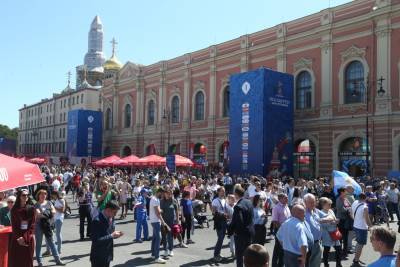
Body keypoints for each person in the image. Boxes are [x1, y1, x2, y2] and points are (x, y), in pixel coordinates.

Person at [34, 189, 65, 266]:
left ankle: (57, 260)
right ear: (38, 195)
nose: (43, 196)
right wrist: (46, 213)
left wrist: (45, 213)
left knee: (51, 242)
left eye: (45, 194)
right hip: (39, 224)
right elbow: (38, 215)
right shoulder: (36, 204)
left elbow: (53, 211)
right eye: (41, 194)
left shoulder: (49, 202)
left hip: (48, 224)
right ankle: (39, 261)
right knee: (39, 243)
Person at [90, 200, 123, 267]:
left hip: (107, 255)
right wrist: (111, 236)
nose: (115, 214)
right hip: (98, 257)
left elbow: (109, 233)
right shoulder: (97, 220)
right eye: (114, 212)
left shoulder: (110, 218)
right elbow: (96, 240)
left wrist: (115, 235)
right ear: (108, 210)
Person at [228, 185, 254, 267]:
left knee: (239, 256)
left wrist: (231, 230)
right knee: (248, 255)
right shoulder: (249, 202)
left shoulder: (238, 206)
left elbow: (238, 221)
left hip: (241, 235)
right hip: (249, 232)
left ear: (236, 194)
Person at [9, 190, 35, 267]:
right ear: (19, 197)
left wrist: (27, 236)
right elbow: (14, 226)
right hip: (17, 239)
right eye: (23, 195)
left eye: (27, 195)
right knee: (17, 261)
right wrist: (19, 237)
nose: (26, 197)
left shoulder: (31, 208)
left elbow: (32, 225)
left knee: (28, 261)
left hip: (28, 238)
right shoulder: (14, 210)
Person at [319, 197, 342, 267]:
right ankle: (326, 264)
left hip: (334, 233)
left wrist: (336, 221)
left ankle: (338, 264)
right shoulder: (320, 212)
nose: (330, 205)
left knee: (338, 249)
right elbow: (321, 224)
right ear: (323, 204)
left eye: (330, 204)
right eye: (328, 204)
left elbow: (334, 219)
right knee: (326, 250)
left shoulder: (331, 211)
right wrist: (331, 223)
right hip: (327, 234)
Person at [351, 193, 372, 267]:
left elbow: (351, 212)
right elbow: (367, 219)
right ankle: (356, 261)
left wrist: (355, 219)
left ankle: (356, 258)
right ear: (365, 198)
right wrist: (371, 227)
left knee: (358, 243)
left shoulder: (355, 202)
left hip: (355, 226)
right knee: (360, 244)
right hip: (362, 227)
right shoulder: (365, 207)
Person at [271, 193, 291, 267]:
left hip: (286, 231)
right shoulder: (276, 208)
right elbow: (275, 221)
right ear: (280, 199)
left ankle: (279, 265)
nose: (287, 199)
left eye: (287, 197)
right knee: (278, 249)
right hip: (280, 231)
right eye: (285, 198)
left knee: (282, 250)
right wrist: (282, 230)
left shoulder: (286, 206)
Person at [149, 187, 168, 264]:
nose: (163, 196)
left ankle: (153, 254)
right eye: (162, 194)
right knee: (158, 238)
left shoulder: (155, 199)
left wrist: (160, 210)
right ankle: (157, 257)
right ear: (159, 192)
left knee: (155, 238)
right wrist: (163, 222)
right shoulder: (155, 200)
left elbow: (157, 211)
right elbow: (158, 213)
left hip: (154, 220)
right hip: (156, 221)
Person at [160, 186, 179, 258]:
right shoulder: (161, 201)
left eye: (169, 193)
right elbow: (160, 211)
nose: (168, 194)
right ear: (164, 194)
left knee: (170, 236)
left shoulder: (174, 201)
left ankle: (171, 250)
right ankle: (165, 250)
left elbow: (177, 211)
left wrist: (177, 220)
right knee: (164, 236)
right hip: (164, 221)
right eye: (167, 193)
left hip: (172, 221)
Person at [303, 193, 321, 267]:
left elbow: (328, 216)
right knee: (308, 263)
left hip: (317, 242)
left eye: (314, 202)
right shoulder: (302, 213)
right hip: (308, 244)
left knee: (316, 263)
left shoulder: (315, 211)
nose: (313, 204)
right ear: (305, 202)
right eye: (311, 202)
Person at [212, 187, 228, 262]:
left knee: (222, 238)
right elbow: (214, 212)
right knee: (220, 238)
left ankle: (218, 253)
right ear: (218, 192)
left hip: (225, 221)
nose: (223, 192)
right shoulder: (215, 200)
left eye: (224, 191)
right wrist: (222, 214)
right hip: (219, 221)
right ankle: (215, 255)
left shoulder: (225, 200)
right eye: (222, 191)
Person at [336, 187, 352, 257]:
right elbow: (341, 209)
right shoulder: (338, 199)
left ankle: (345, 251)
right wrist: (348, 209)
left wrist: (348, 208)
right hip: (341, 220)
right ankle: (339, 251)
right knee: (341, 236)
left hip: (347, 220)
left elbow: (350, 206)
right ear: (342, 192)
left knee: (346, 236)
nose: (346, 192)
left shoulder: (346, 199)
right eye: (345, 191)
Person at [51, 191, 65, 255]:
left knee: (58, 233)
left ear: (55, 195)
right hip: (55, 218)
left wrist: (54, 207)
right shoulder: (56, 200)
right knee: (56, 233)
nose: (52, 196)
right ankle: (58, 249)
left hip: (59, 218)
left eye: (53, 195)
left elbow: (62, 210)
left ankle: (59, 249)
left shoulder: (61, 200)